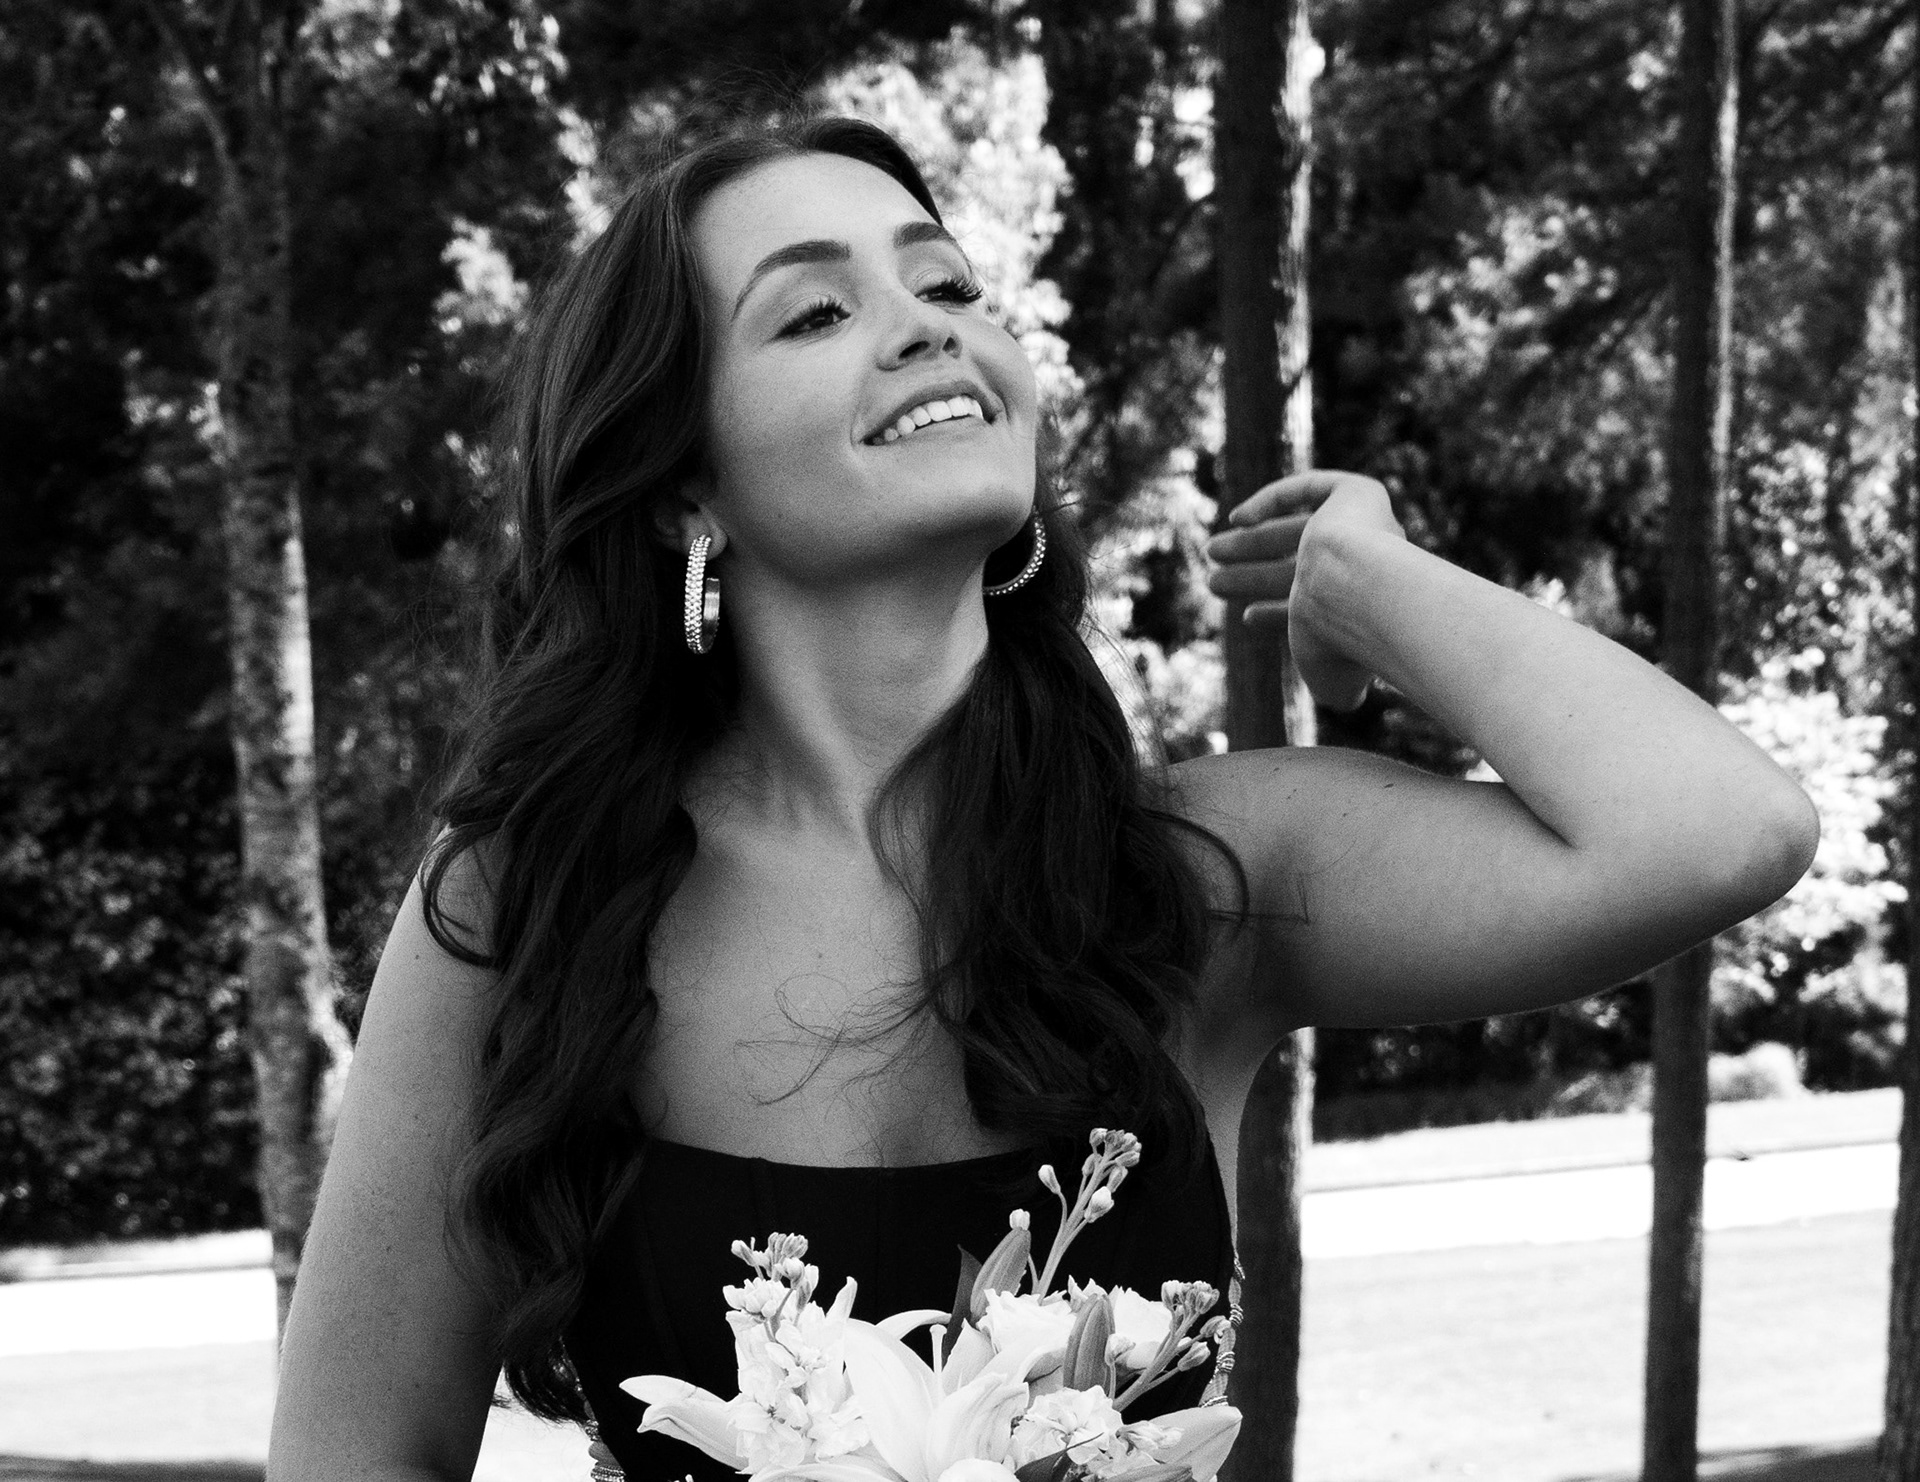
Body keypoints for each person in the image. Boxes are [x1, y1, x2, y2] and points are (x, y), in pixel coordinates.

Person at [265, 116, 1818, 1482]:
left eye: (949, 288)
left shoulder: (1202, 877)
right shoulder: (527, 902)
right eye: (817, 310)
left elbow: (1722, 831)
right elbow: (350, 1452)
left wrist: (1370, 583)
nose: (925, 330)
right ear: (683, 485)